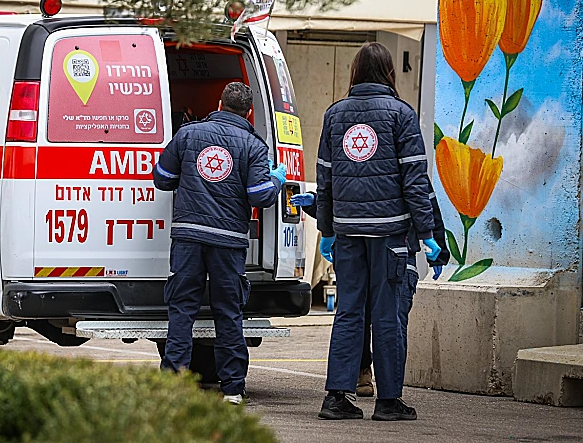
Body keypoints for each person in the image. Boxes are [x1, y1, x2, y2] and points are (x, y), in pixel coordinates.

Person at [314, 42, 441, 421]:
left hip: (349, 233)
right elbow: (414, 180)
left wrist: (326, 230)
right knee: (387, 316)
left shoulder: (335, 115)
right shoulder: (402, 114)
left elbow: (325, 177)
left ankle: (336, 396)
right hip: (390, 235)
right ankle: (388, 401)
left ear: (354, 71)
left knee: (349, 313)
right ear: (389, 72)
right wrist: (428, 234)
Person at [153, 82, 287, 405]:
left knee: (182, 310)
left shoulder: (188, 134)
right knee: (228, 313)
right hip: (228, 242)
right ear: (249, 112)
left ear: (218, 103)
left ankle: (174, 385)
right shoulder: (254, 146)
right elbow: (258, 196)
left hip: (188, 237)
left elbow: (161, 177)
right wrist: (277, 181)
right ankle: (232, 389)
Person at [291, 184, 450, 397]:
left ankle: (375, 390)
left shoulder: (397, 156)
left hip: (389, 251)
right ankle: (372, 383)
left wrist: (435, 243)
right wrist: (315, 202)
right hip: (378, 251)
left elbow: (423, 198)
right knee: (370, 318)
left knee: (378, 318)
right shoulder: (395, 156)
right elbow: (334, 192)